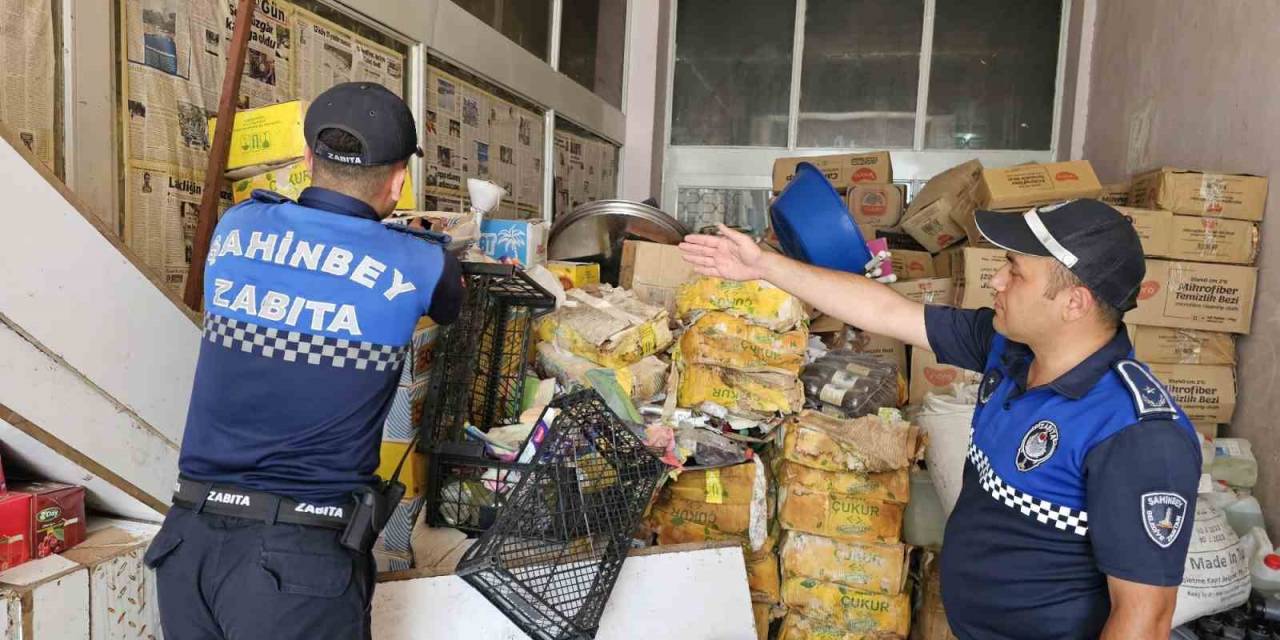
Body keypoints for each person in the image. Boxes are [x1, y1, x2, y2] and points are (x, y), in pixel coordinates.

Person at [680, 199, 1201, 640]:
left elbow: (1144, 618)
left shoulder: (1136, 433)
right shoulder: (1011, 347)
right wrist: (765, 266)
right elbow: (888, 313)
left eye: (1015, 271)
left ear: (1074, 302)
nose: (995, 280)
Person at [144, 82, 464, 640]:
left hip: (188, 546)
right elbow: (450, 303)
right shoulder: (421, 264)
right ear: (398, 180)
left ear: (309, 159)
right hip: (296, 566)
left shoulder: (237, 226)